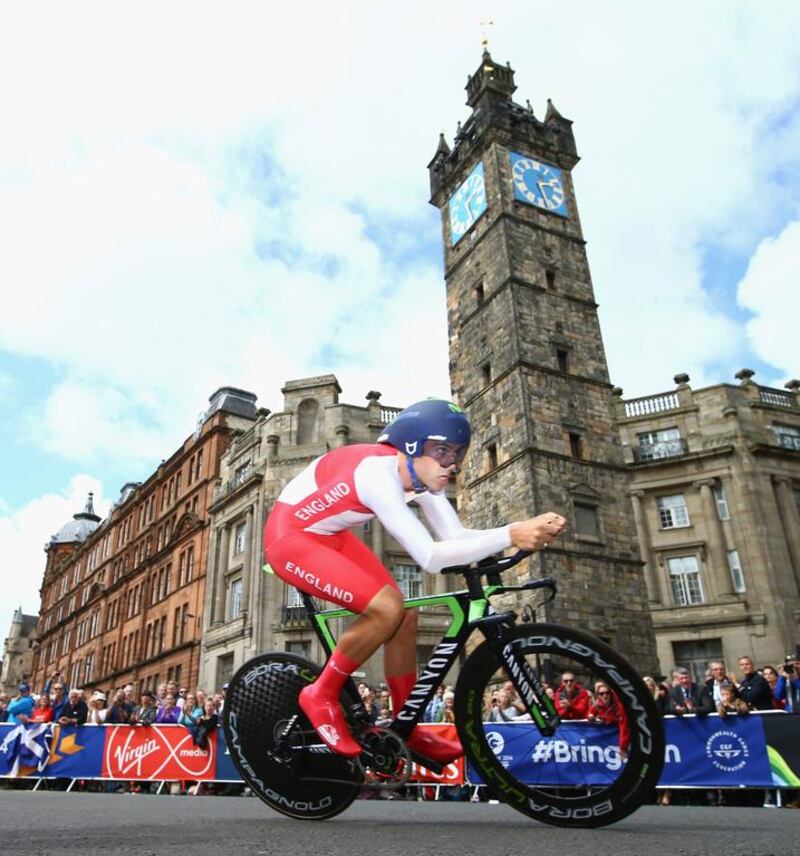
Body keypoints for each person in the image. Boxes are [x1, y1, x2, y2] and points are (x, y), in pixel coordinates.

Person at [263, 399, 566, 761]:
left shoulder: (423, 479)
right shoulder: (378, 474)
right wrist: (513, 533)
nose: (451, 464)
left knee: (404, 616)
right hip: (290, 538)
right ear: (410, 447)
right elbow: (430, 556)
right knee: (386, 608)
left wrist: (515, 532)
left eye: (457, 454)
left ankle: (408, 725)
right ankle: (320, 693)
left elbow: (454, 538)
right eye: (442, 452)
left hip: (331, 535)